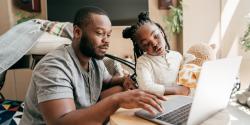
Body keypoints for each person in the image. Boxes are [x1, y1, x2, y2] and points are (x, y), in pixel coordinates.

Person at [20, 6, 166, 125]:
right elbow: (61, 122)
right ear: (77, 32)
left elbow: (107, 81)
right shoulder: (53, 67)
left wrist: (123, 80)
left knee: (120, 89)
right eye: (100, 33)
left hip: (81, 116)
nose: (106, 40)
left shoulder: (94, 60)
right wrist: (118, 100)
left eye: (108, 35)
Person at [122, 12, 190, 96]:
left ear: (162, 33)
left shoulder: (177, 56)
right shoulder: (143, 62)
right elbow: (146, 87)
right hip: (159, 103)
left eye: (156, 36)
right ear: (141, 48)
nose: (154, 44)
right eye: (146, 44)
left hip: (181, 100)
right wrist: (176, 91)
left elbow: (186, 79)